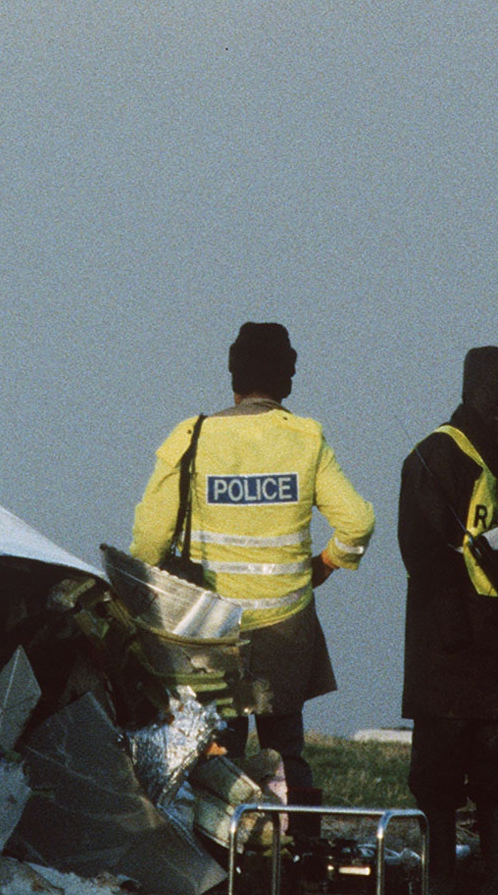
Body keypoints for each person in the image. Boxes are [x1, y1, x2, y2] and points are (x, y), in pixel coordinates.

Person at [131, 322, 375, 801]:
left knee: (217, 751)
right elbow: (358, 522)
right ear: (288, 379)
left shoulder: (193, 437)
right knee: (286, 749)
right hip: (287, 629)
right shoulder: (305, 438)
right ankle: (298, 836)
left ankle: (227, 838)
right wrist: (326, 564)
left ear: (233, 377)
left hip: (212, 633)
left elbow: (150, 542)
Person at [398, 345, 498, 895]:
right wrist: (458, 631)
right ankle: (441, 886)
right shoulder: (437, 456)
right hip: (449, 648)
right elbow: (424, 556)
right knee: (437, 771)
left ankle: (497, 887)